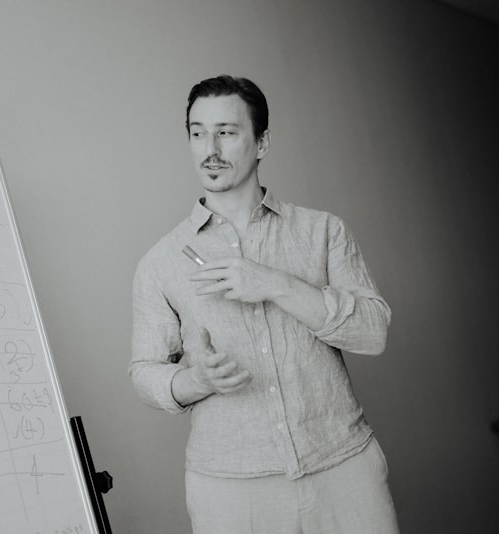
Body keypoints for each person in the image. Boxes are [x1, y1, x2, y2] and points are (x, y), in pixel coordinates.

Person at [129, 75, 400, 533]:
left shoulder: (323, 231)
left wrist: (277, 284)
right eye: (198, 133)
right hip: (231, 489)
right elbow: (143, 372)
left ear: (262, 142)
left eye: (226, 132)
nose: (210, 149)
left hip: (343, 468)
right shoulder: (160, 263)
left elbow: (373, 333)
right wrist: (196, 380)